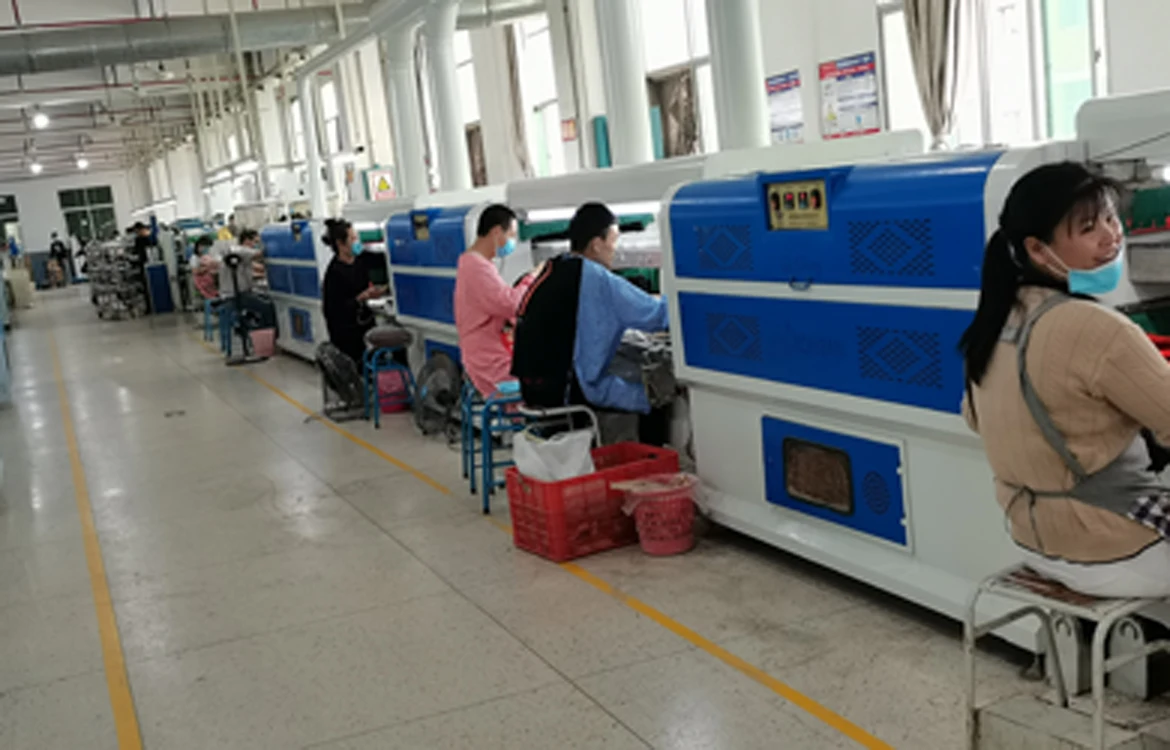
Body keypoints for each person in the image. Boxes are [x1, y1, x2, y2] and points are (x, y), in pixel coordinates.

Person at [960, 161, 1170, 599]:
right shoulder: (1093, 327)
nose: (1112, 236)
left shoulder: (995, 322)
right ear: (1038, 249)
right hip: (1118, 554)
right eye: (1089, 228)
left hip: (1035, 543)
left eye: (1111, 218)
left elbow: (976, 418)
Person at [512, 202, 670, 444]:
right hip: (567, 392)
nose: (614, 250)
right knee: (655, 392)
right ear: (596, 244)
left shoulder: (554, 268)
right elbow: (657, 316)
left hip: (534, 389)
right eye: (613, 241)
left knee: (624, 367)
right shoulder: (595, 278)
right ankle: (650, 457)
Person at [454, 204, 537, 398]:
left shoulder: (478, 264)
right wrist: (531, 279)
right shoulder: (476, 267)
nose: (512, 242)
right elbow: (510, 304)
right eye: (512, 235)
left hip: (485, 350)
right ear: (497, 232)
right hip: (488, 356)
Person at [321, 218, 388, 367]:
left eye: (356, 237)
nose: (357, 242)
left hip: (365, 323)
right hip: (348, 334)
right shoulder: (334, 274)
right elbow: (334, 311)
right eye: (352, 239)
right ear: (340, 244)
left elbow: (384, 259)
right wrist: (361, 298)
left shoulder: (360, 260)